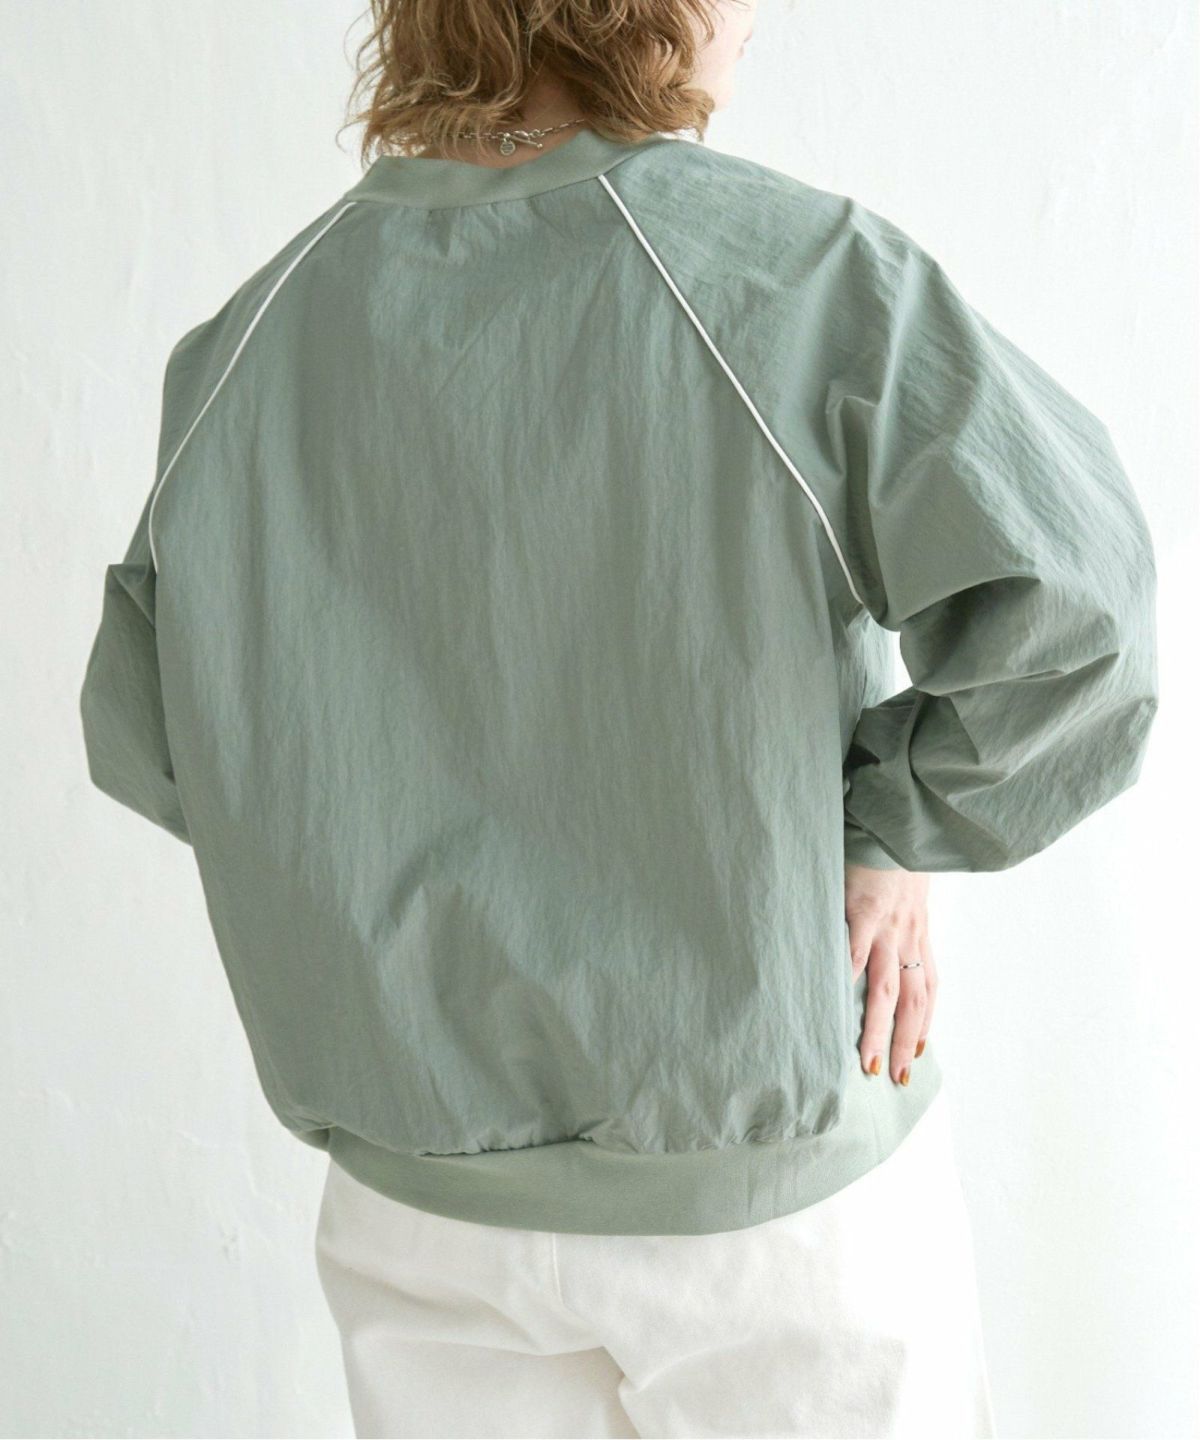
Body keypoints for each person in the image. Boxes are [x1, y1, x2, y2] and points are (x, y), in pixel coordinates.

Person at [77, 0, 1159, 1434]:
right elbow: (1083, 612)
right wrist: (891, 827)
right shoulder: (793, 275)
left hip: (420, 1213)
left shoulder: (251, 336)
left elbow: (156, 740)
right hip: (763, 1201)